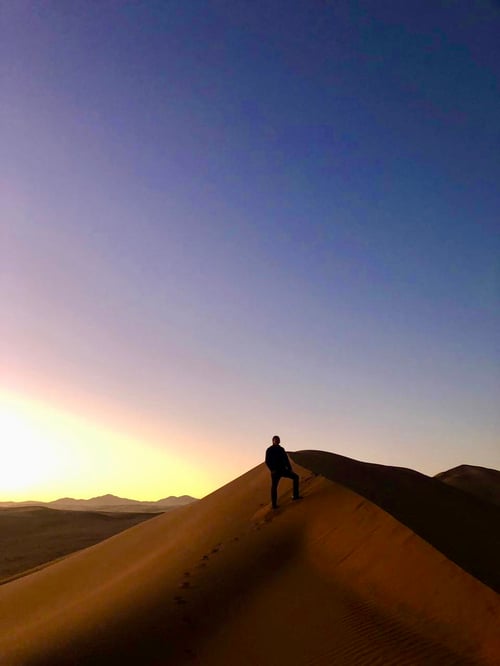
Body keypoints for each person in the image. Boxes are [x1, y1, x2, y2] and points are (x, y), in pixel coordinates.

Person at [265, 435, 301, 509]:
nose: (277, 441)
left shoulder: (281, 449)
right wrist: (272, 470)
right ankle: (274, 505)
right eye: (275, 440)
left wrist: (290, 468)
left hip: (283, 470)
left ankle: (295, 496)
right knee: (274, 487)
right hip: (275, 472)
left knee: (296, 477)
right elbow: (267, 461)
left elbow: (286, 459)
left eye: (278, 440)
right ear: (273, 441)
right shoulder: (269, 449)